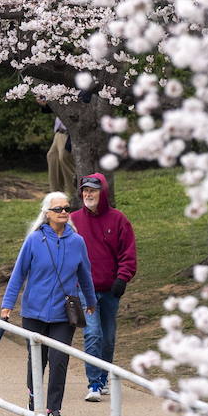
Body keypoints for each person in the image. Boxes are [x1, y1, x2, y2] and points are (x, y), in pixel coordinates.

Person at [0, 191, 96, 416]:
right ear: (47, 213)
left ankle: (53, 408)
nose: (64, 212)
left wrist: (91, 301)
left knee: (59, 360)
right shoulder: (34, 239)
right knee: (37, 359)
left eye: (66, 208)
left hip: (64, 313)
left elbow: (85, 275)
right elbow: (19, 273)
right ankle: (34, 396)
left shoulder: (77, 242)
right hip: (34, 311)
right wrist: (7, 305)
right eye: (58, 209)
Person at [70, 172, 137, 401]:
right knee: (93, 334)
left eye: (93, 191)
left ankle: (104, 375)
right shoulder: (74, 220)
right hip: (84, 289)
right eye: (85, 191)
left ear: (103, 193)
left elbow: (128, 253)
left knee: (108, 337)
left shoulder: (118, 219)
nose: (88, 194)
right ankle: (94, 384)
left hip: (110, 289)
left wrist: (123, 278)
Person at [39, 100, 76, 195]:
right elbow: (55, 107)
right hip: (59, 132)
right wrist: (45, 104)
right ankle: (56, 195)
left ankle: (75, 195)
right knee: (52, 157)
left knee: (65, 158)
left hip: (70, 133)